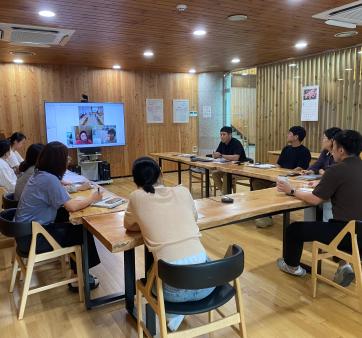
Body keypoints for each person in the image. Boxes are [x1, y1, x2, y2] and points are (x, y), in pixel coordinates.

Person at [124, 157, 215, 332]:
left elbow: (128, 225)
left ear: (135, 181)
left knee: (154, 273)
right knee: (201, 257)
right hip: (208, 284)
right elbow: (193, 217)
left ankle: (172, 315)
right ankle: (177, 315)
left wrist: (145, 221)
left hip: (172, 293)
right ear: (162, 174)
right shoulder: (183, 191)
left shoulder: (136, 197)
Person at [276, 130, 362, 287]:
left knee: (294, 229)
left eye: (334, 146)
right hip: (359, 233)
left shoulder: (336, 170)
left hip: (344, 233)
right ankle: (346, 265)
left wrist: (292, 190)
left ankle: (292, 266)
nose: (332, 150)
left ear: (341, 150)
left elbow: (315, 200)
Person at [15, 141, 102, 291]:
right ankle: (81, 278)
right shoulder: (49, 179)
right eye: (66, 158)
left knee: (65, 216)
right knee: (81, 230)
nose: (68, 161)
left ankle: (78, 270)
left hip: (23, 234)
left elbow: (63, 201)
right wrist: (92, 199)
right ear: (58, 161)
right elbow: (72, 206)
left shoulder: (39, 174)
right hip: (34, 239)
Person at [251, 126, 311, 228]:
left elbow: (299, 169)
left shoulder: (304, 151)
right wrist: (273, 170)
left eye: (289, 133)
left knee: (274, 186)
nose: (287, 135)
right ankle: (262, 212)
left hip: (291, 181)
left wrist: (285, 174)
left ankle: (267, 215)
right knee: (257, 182)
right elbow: (279, 164)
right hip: (280, 177)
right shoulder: (286, 148)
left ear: (296, 136)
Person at [302, 127, 342, 222]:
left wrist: (323, 172)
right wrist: (310, 170)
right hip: (322, 183)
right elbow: (318, 164)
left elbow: (332, 172)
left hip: (333, 194)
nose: (322, 140)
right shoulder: (326, 152)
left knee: (315, 197)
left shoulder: (339, 156)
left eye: (324, 138)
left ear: (332, 141)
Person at [212, 126, 247, 195]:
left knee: (226, 175)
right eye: (221, 134)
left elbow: (236, 157)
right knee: (214, 174)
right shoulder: (222, 143)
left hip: (240, 169)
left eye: (224, 134)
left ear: (230, 135)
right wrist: (215, 155)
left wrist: (221, 155)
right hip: (228, 168)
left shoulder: (236, 143)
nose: (221, 136)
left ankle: (225, 194)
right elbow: (217, 154)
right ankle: (225, 193)